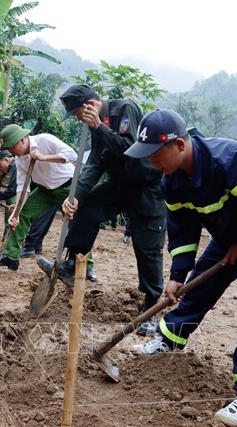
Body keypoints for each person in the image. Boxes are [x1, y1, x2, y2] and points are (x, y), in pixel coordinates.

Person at [125, 109, 237, 427]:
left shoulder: (231, 159)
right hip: (232, 233)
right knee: (198, 287)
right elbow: (183, 231)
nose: (151, 162)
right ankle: (169, 340)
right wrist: (176, 277)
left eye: (155, 154)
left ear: (178, 145)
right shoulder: (172, 183)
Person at [51, 84, 166, 335]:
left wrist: (100, 127)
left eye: (77, 113)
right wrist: (76, 197)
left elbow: (130, 150)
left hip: (147, 186)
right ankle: (72, 263)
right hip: (120, 184)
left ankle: (151, 307)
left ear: (89, 105)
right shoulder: (94, 127)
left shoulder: (125, 108)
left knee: (147, 246)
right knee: (89, 207)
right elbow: (94, 164)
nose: (77, 118)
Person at [0, 124, 76, 271]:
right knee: (22, 214)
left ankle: (84, 266)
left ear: (22, 140)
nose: (11, 152)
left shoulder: (45, 140)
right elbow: (22, 187)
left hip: (68, 187)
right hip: (44, 190)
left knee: (78, 223)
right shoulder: (20, 160)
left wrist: (43, 157)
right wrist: (16, 212)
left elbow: (72, 155)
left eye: (11, 147)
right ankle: (11, 257)